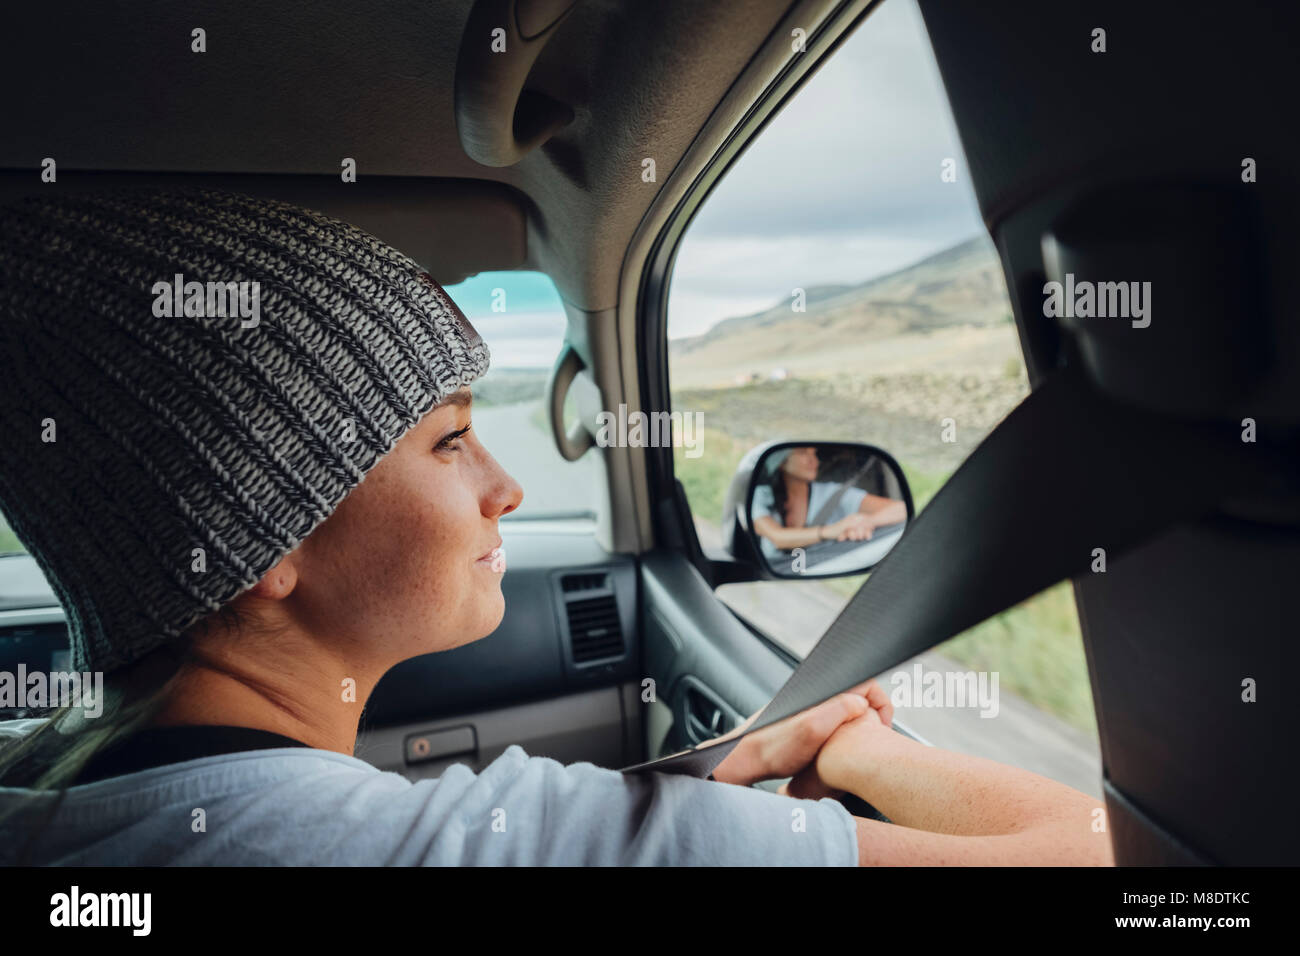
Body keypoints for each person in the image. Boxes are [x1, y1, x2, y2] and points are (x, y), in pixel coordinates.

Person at [0, 189, 1111, 866]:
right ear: (256, 541)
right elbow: (1131, 865)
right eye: (448, 441)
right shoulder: (494, 844)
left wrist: (761, 757)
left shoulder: (48, 787)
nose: (506, 488)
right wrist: (852, 741)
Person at [752, 446, 908, 561]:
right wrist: (832, 531)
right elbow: (777, 537)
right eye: (803, 453)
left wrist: (868, 521)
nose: (814, 460)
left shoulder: (833, 494)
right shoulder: (760, 496)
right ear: (780, 461)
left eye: (814, 453)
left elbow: (902, 509)